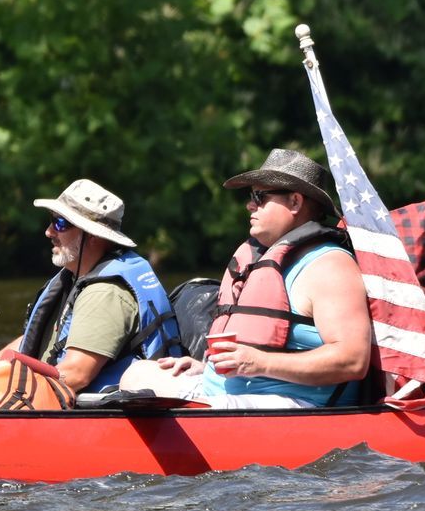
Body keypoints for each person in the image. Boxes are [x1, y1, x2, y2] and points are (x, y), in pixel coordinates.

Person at [123, 148, 372, 408]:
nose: (249, 205)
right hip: (233, 393)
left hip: (293, 403)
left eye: (259, 197)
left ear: (295, 202)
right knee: (137, 375)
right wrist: (206, 368)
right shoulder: (262, 258)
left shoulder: (329, 265)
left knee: (147, 401)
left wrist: (258, 363)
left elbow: (352, 359)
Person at [5, 179, 182, 394]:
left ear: (93, 236)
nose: (49, 232)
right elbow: (34, 341)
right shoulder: (75, 279)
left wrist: (3, 392)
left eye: (60, 223)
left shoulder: (105, 292)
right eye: (52, 221)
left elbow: (76, 375)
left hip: (103, 414)